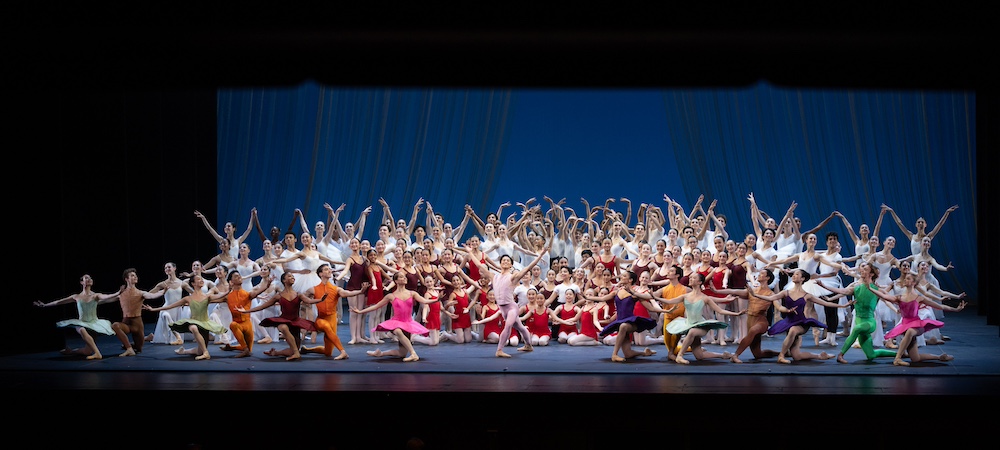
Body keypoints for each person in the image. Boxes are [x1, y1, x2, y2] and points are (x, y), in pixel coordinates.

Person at [469, 240, 552, 358]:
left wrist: (540, 256)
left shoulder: (513, 277)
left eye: (508, 261)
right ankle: (528, 345)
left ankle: (499, 350)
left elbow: (528, 267)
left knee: (507, 326)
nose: (505, 261)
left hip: (512, 308)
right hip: (502, 309)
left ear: (511, 265)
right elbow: (479, 265)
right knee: (520, 327)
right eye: (503, 260)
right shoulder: (494, 276)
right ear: (500, 263)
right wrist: (469, 252)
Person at [752, 269, 852, 363]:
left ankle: (781, 356)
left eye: (797, 274)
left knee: (793, 330)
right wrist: (754, 294)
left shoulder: (807, 295)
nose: (794, 276)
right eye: (793, 274)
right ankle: (820, 356)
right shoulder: (786, 292)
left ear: (802, 279)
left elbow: (825, 303)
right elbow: (771, 298)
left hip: (801, 323)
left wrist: (842, 305)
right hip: (789, 322)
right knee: (796, 356)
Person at [870, 271, 967, 365]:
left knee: (910, 332)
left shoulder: (919, 298)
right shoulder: (899, 297)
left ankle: (897, 359)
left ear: (913, 283)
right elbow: (884, 296)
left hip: (917, 325)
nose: (905, 280)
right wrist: (870, 288)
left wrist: (955, 309)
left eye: (908, 279)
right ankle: (940, 357)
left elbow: (939, 306)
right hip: (904, 325)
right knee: (915, 358)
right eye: (906, 278)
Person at [648, 272, 745, 364]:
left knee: (692, 332)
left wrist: (736, 314)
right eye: (690, 277)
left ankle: (680, 356)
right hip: (689, 324)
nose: (690, 279)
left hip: (700, 326)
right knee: (699, 355)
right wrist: (655, 297)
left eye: (693, 278)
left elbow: (720, 311)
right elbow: (669, 301)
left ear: (699, 282)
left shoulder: (705, 298)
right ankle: (724, 355)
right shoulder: (685, 296)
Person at [818, 262, 899, 364]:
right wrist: (823, 286)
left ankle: (840, 355)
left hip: (869, 323)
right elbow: (842, 291)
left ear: (871, 274)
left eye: (865, 270)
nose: (862, 271)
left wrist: (898, 306)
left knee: (857, 328)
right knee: (871, 355)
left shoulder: (876, 289)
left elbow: (889, 298)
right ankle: (899, 354)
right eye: (862, 269)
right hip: (859, 321)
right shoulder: (856, 287)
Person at [352, 271, 439, 362]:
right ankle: (413, 354)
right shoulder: (391, 296)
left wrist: (437, 299)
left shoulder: (412, 293)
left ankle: (380, 353)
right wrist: (360, 311)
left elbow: (424, 301)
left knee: (402, 353)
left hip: (408, 323)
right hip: (396, 322)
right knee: (397, 331)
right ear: (396, 281)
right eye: (401, 277)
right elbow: (376, 306)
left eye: (404, 276)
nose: (404, 278)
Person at [585, 270, 670, 362]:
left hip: (631, 322)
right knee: (628, 353)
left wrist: (665, 311)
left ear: (630, 280)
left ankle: (614, 354)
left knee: (623, 326)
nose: (622, 277)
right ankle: (644, 353)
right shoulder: (616, 291)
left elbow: (650, 308)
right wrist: (587, 297)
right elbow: (602, 298)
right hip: (619, 321)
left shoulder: (634, 294)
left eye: (624, 276)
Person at [142, 274, 231, 360]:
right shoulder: (188, 298)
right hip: (194, 322)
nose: (201, 280)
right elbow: (170, 306)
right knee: (193, 327)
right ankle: (206, 353)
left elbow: (220, 295)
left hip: (205, 324)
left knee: (199, 351)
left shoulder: (207, 296)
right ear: (193, 283)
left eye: (201, 279)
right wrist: (153, 309)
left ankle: (184, 351)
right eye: (198, 279)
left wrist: (228, 290)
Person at [34, 274, 122, 360]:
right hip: (82, 322)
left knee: (87, 351)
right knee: (81, 329)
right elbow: (58, 302)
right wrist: (45, 305)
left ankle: (70, 352)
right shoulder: (76, 297)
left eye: (90, 278)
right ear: (81, 282)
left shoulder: (96, 296)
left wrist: (118, 293)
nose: (89, 279)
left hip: (93, 324)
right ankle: (97, 353)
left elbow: (106, 297)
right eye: (86, 278)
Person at [709, 270, 782, 363]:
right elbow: (734, 291)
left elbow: (778, 305)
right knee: (758, 354)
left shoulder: (770, 294)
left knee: (753, 330)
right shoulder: (752, 291)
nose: (759, 275)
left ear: (767, 278)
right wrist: (716, 291)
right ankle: (781, 353)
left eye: (762, 274)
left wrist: (785, 310)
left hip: (761, 321)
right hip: (750, 321)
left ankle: (735, 355)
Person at [299, 264, 370, 359]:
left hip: (332, 319)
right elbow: (302, 297)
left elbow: (347, 293)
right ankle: (343, 351)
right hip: (321, 319)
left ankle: (307, 350)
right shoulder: (313, 289)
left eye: (329, 269)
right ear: (320, 274)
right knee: (325, 326)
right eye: (326, 269)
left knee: (328, 352)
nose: (329, 271)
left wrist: (360, 291)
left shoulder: (335, 289)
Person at [218, 269, 274, 358]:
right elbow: (213, 299)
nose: (239, 277)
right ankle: (244, 349)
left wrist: (267, 285)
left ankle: (232, 347)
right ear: (231, 282)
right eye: (236, 276)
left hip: (247, 325)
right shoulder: (228, 296)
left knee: (249, 349)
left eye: (239, 275)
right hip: (237, 324)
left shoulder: (247, 294)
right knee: (233, 325)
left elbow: (257, 292)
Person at [145, 261, 196, 346]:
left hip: (177, 310)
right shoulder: (163, 284)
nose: (167, 269)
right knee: (165, 315)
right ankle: (177, 336)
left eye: (169, 267)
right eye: (165, 268)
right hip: (166, 308)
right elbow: (149, 294)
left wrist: (188, 302)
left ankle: (151, 336)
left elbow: (194, 293)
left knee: (173, 323)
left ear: (174, 268)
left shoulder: (182, 283)